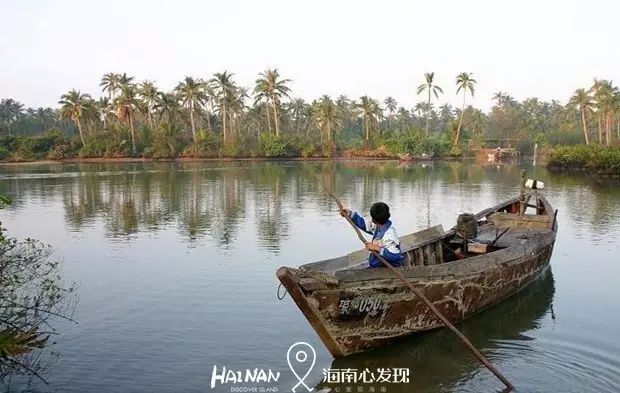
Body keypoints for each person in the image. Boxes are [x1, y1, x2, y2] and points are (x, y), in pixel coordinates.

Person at [340, 202, 404, 268]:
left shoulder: (389, 236)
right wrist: (350, 214)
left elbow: (395, 255)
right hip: (379, 263)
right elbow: (365, 224)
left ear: (373, 220)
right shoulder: (379, 225)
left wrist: (377, 248)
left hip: (388, 267)